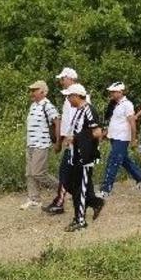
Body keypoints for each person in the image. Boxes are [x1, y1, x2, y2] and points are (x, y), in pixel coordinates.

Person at [43, 67, 90, 215]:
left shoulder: (79, 98)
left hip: (76, 142)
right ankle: (65, 200)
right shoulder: (68, 98)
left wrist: (66, 139)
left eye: (63, 79)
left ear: (70, 78)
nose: (61, 82)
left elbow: (76, 121)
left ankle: (62, 202)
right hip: (71, 142)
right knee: (68, 173)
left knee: (67, 173)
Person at [60, 83, 104, 232]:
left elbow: (97, 132)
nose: (68, 99)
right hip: (76, 154)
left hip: (85, 157)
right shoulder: (78, 110)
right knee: (71, 184)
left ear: (77, 96)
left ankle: (80, 220)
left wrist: (76, 138)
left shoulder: (88, 110)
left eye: (69, 96)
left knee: (81, 189)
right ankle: (95, 202)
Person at [99, 82, 141, 199]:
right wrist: (105, 133)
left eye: (113, 92)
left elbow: (132, 122)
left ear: (120, 92)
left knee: (113, 161)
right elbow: (114, 122)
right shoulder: (116, 104)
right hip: (115, 137)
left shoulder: (127, 105)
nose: (111, 94)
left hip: (122, 138)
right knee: (124, 160)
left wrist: (133, 139)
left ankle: (106, 189)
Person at [23, 80, 60, 209]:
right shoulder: (33, 105)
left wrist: (57, 142)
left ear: (43, 92)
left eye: (35, 90)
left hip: (41, 144)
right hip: (31, 144)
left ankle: (62, 188)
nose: (32, 93)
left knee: (38, 172)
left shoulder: (47, 106)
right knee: (29, 173)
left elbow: (57, 122)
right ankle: (34, 199)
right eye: (31, 90)